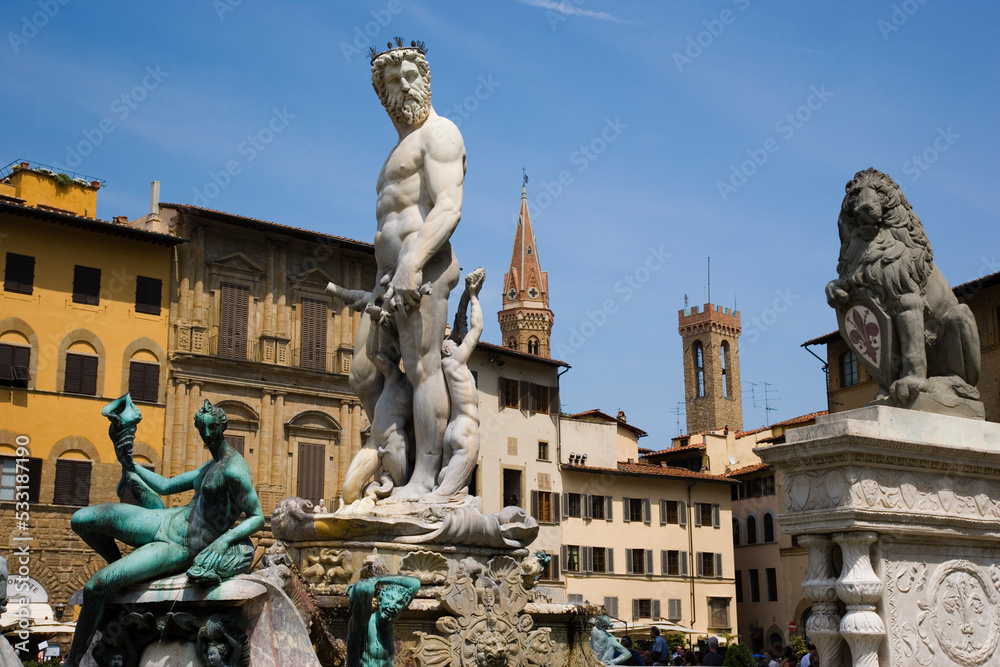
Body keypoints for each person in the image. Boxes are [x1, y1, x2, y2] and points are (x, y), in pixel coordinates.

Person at [342, 39, 466, 503]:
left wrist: (413, 262)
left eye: (411, 75)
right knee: (362, 373)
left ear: (426, 80)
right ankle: (398, 455)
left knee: (421, 367)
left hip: (424, 265)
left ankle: (425, 479)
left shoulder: (442, 133)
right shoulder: (397, 149)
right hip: (386, 278)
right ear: (382, 92)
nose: (403, 85)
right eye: (393, 80)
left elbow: (449, 206)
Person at [64, 399, 264, 666]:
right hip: (164, 519)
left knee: (95, 586)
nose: (207, 435)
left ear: (222, 427)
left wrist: (224, 541)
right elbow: (167, 486)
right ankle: (121, 571)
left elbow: (258, 516)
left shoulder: (234, 470)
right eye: (202, 429)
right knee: (81, 519)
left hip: (181, 546)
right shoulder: (209, 466)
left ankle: (72, 661)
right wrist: (131, 464)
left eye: (212, 428)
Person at [346, 574, 421, 667]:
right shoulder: (362, 623)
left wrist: (377, 579)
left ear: (402, 611)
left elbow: (415, 583)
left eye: (399, 603)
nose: (393, 605)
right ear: (380, 599)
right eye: (390, 598)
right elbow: (364, 588)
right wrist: (367, 583)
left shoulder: (389, 621)